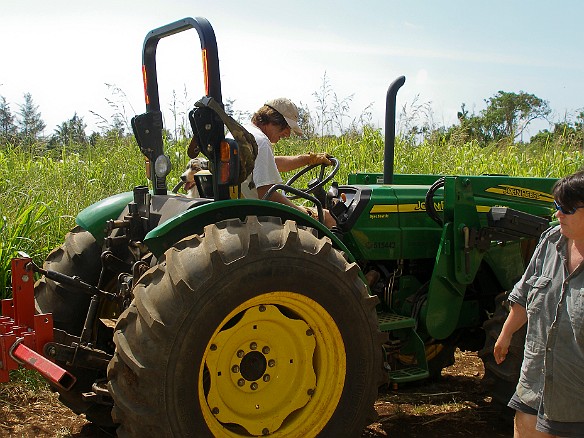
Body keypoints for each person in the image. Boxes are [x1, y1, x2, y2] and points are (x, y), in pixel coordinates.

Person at [493, 169, 584, 438]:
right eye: (557, 207)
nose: (558, 214)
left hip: (575, 392)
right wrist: (506, 333)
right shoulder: (551, 240)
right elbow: (525, 292)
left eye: (566, 209)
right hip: (536, 379)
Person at [240, 97, 336, 227]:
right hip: (257, 215)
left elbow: (270, 164)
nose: (288, 135)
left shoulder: (244, 134)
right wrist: (301, 212)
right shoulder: (261, 141)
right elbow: (267, 193)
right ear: (274, 119)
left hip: (243, 207)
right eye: (287, 127)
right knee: (329, 218)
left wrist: (308, 159)